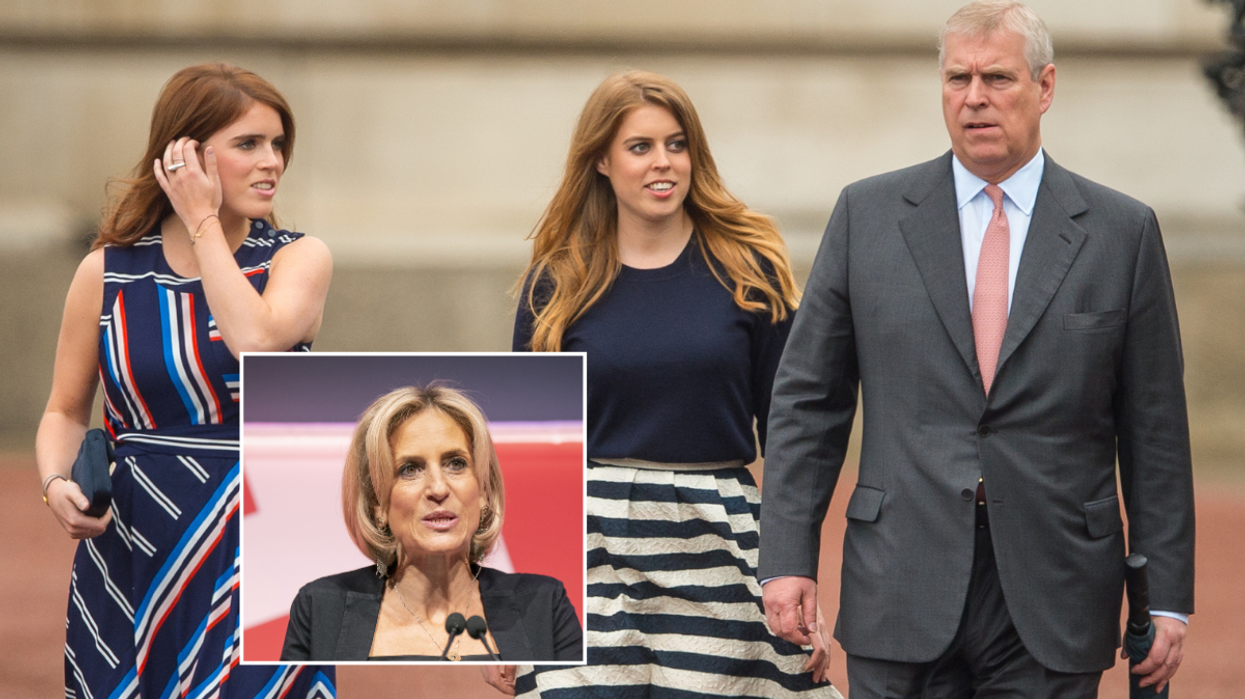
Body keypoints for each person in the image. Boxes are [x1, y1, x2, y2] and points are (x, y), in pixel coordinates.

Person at [759, 2, 1195, 697]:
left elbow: (1155, 431)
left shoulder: (1121, 233)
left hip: (1055, 589)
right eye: (957, 79)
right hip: (899, 579)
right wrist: (785, 557)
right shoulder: (865, 217)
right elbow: (808, 402)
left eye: (996, 78)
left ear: (1044, 87)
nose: (974, 99)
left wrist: (1165, 593)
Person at [509, 70, 841, 698]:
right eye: (640, 147)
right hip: (589, 546)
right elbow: (531, 459)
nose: (663, 163)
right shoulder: (555, 284)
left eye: (677, 144)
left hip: (717, 538)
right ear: (601, 161)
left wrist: (798, 576)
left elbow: (793, 435)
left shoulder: (751, 271)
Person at [35, 64, 335, 697]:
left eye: (278, 144)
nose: (272, 162)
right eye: (249, 144)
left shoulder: (296, 258)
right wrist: (56, 484)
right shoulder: (107, 272)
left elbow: (253, 337)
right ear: (184, 156)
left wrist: (202, 225)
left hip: (271, 529)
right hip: (138, 540)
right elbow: (65, 409)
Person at [281, 385, 583, 662]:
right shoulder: (322, 609)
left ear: (484, 493)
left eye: (456, 463)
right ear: (377, 506)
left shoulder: (543, 606)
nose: (438, 488)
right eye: (410, 469)